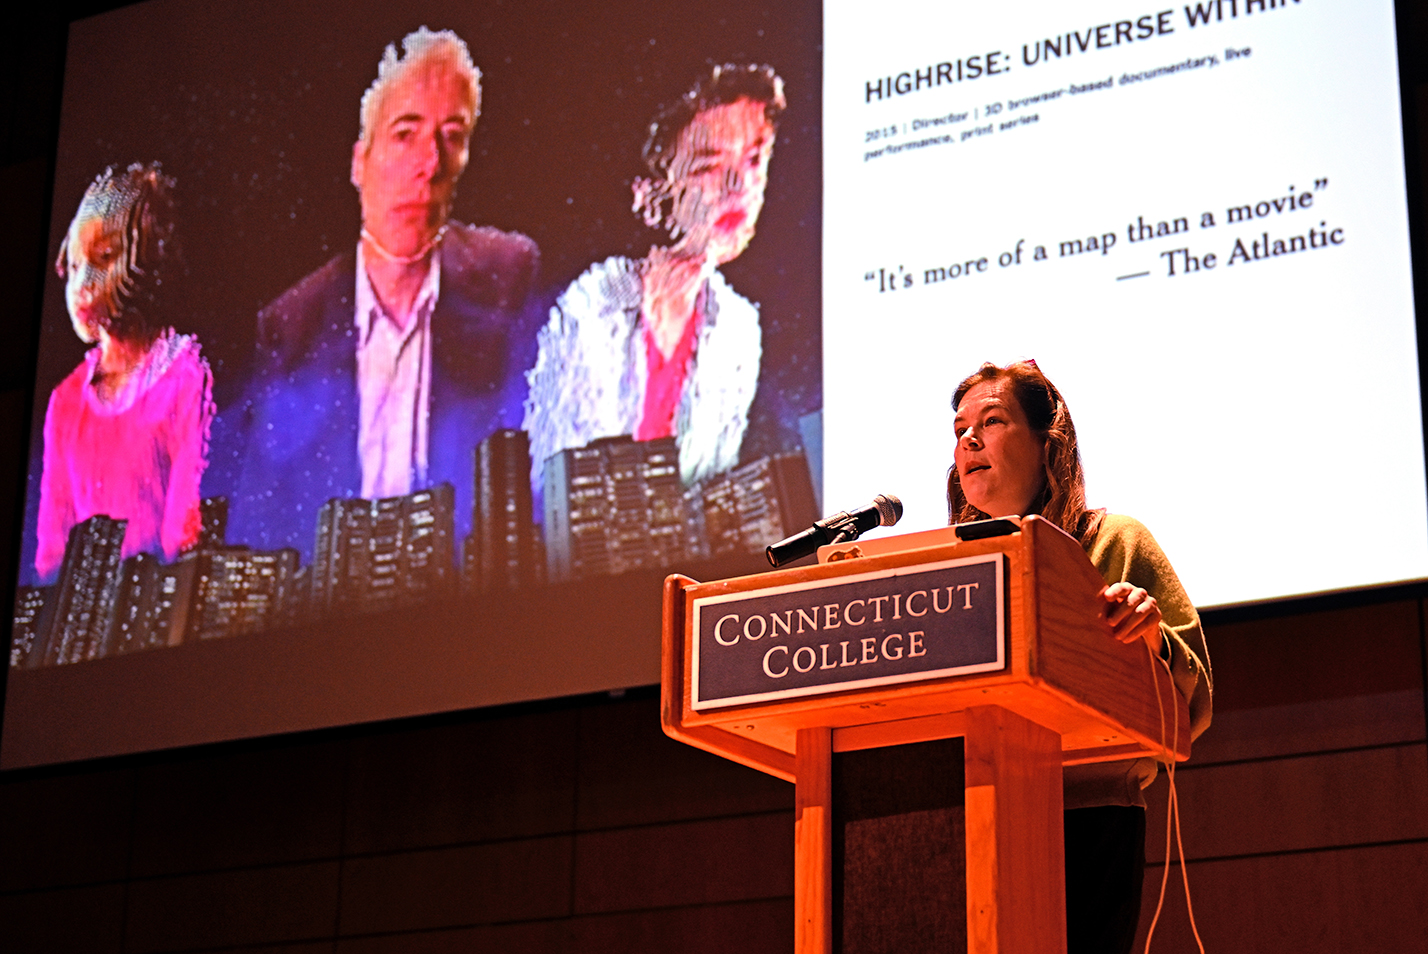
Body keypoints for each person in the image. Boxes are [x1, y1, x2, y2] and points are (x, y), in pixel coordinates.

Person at [234, 27, 539, 554]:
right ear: (360, 161)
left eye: (453, 136)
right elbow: (269, 513)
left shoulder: (507, 275)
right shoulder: (291, 324)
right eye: (405, 133)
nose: (430, 165)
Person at [948, 359, 1212, 954]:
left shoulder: (1114, 540)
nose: (968, 439)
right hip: (962, 815)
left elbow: (1190, 706)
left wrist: (1151, 637)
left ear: (1049, 445)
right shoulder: (949, 569)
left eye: (992, 421)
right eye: (960, 426)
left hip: (1087, 818)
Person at [523, 63, 784, 494]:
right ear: (649, 191)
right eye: (707, 167)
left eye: (754, 159)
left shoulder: (739, 328)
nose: (740, 185)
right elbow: (553, 489)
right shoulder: (588, 309)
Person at [36, 163, 214, 582]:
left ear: (148, 257)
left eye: (104, 258)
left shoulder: (186, 374)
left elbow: (186, 528)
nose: (82, 283)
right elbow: (52, 549)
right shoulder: (64, 401)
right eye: (75, 265)